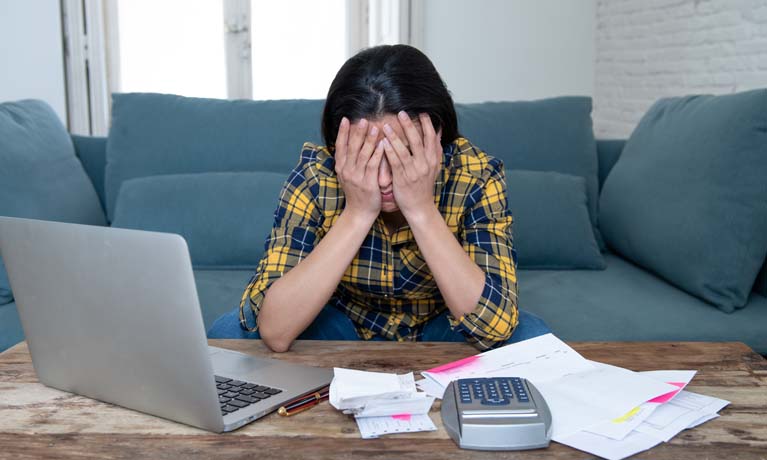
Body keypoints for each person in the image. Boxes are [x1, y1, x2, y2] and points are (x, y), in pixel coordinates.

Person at [208, 44, 551, 352]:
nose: (385, 180)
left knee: (532, 339)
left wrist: (420, 208)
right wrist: (358, 212)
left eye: (403, 155)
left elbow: (495, 326)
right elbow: (275, 331)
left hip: (442, 326)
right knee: (229, 333)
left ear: (437, 134)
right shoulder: (319, 174)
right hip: (342, 326)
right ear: (337, 145)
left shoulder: (476, 174)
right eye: (366, 157)